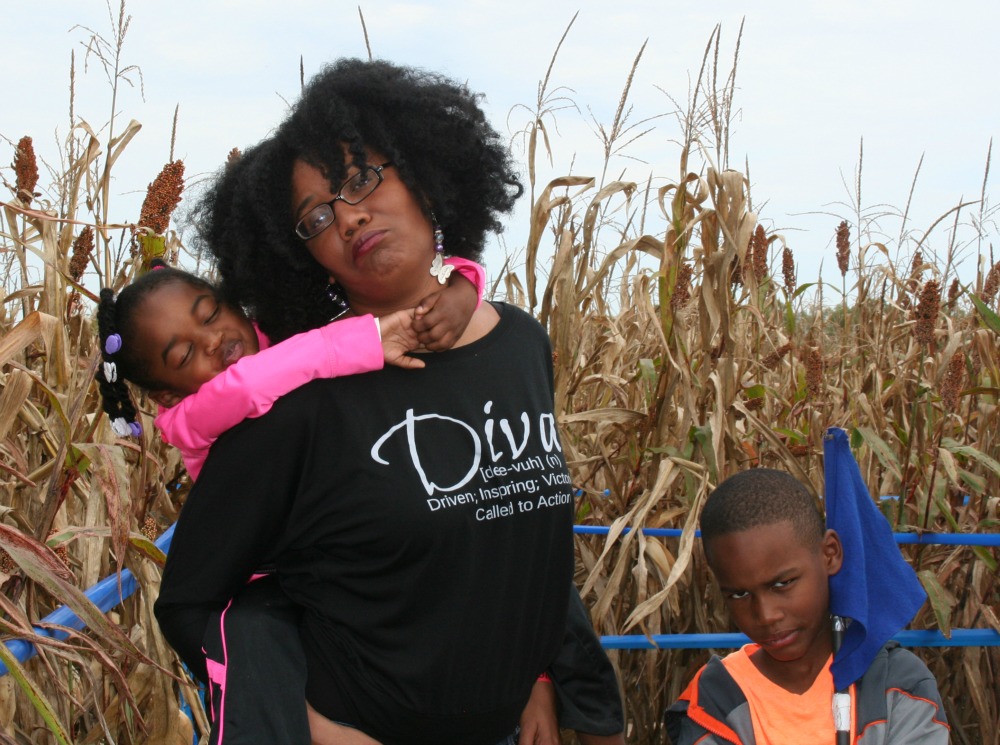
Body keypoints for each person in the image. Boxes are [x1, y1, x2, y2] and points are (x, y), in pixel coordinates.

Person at [154, 59, 625, 745]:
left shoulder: (523, 342)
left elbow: (511, 524)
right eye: (315, 217)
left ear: (422, 170)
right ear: (304, 255)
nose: (348, 216)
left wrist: (540, 676)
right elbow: (190, 602)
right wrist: (308, 723)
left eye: (360, 177)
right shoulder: (304, 397)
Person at [95, 257, 484, 744]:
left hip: (349, 548)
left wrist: (464, 284)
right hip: (274, 576)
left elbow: (411, 271)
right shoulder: (192, 415)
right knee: (257, 646)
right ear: (169, 394)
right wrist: (367, 341)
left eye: (210, 313)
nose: (212, 339)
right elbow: (255, 383)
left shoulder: (283, 335)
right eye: (184, 354)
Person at [664, 468, 949, 745]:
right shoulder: (716, 697)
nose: (766, 615)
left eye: (783, 584)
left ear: (830, 554)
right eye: (739, 595)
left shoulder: (896, 684)